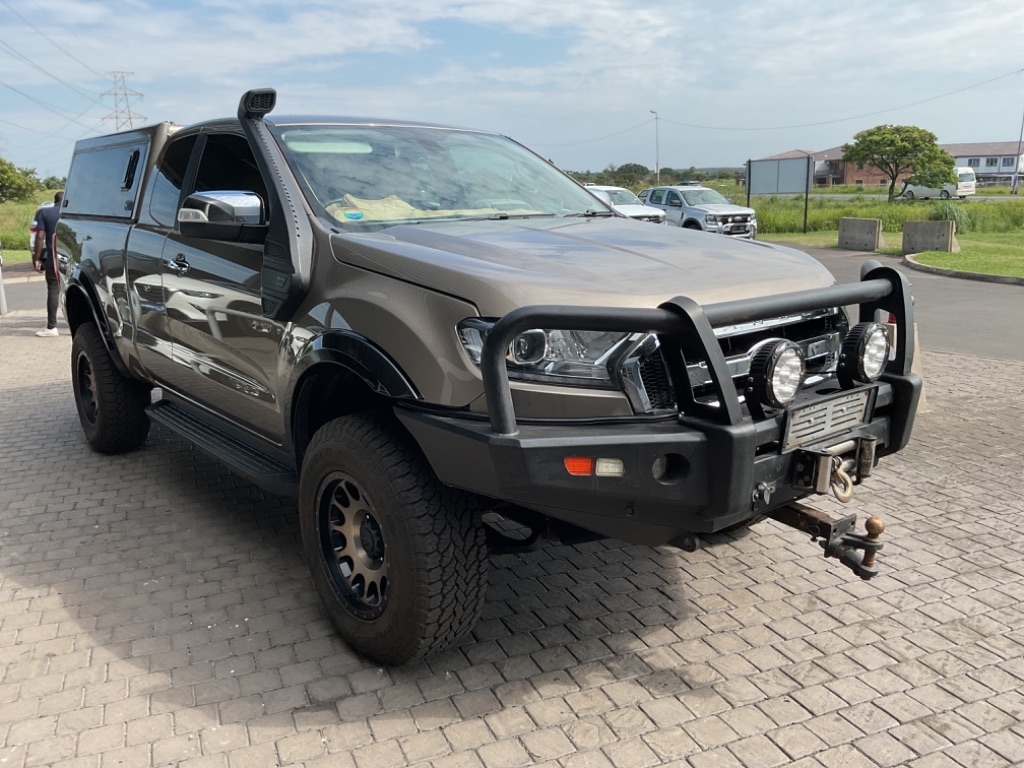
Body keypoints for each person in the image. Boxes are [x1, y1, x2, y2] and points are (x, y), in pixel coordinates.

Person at [32, 191, 63, 337]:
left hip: (54, 258)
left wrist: (36, 258)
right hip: (76, 259)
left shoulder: (45, 213)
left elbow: (39, 237)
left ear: (54, 200)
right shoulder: (73, 214)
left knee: (53, 290)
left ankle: (52, 327)